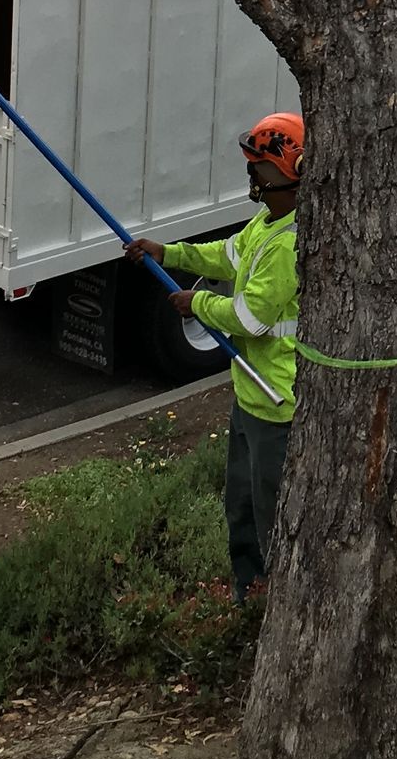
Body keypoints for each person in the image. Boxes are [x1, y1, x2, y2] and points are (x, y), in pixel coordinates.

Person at [125, 111, 301, 602]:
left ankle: (279, 602)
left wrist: (196, 303)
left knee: (270, 514)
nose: (251, 180)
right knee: (240, 506)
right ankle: (249, 591)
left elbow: (251, 318)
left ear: (289, 174)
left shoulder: (291, 242)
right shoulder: (267, 224)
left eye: (258, 171)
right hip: (249, 395)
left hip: (277, 401)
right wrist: (169, 254)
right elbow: (224, 256)